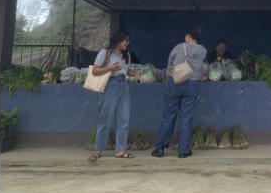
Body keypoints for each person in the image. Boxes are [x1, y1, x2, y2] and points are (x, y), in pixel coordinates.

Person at [152, 24, 207, 159]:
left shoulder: (178, 47)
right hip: (192, 83)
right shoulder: (203, 50)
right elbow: (200, 65)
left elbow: (169, 65)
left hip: (174, 82)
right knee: (186, 117)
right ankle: (183, 150)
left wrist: (168, 83)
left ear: (188, 36)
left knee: (169, 115)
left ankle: (160, 148)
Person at [88, 30, 142, 162]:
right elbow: (95, 70)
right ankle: (98, 150)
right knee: (105, 119)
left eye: (128, 41)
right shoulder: (105, 53)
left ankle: (120, 150)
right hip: (110, 85)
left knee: (123, 120)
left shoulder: (126, 55)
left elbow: (125, 70)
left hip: (124, 86)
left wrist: (134, 74)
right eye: (126, 41)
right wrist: (109, 69)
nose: (127, 43)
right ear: (118, 40)